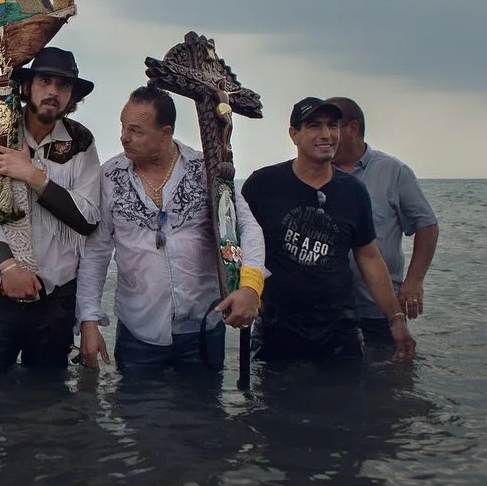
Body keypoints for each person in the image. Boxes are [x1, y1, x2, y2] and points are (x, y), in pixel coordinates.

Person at [78, 85, 267, 373]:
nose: (123, 137)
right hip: (139, 332)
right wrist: (89, 321)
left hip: (203, 326)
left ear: (165, 133)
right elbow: (96, 251)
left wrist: (251, 286)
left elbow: (247, 227)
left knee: (205, 415)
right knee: (136, 413)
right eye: (122, 127)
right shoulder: (110, 175)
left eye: (136, 131)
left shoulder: (206, 170)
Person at [240, 98, 416, 364]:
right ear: (294, 135)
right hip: (278, 327)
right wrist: (241, 294)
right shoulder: (262, 185)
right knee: (274, 404)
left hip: (339, 329)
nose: (326, 135)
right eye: (314, 126)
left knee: (345, 402)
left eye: (332, 126)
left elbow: (369, 257)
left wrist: (396, 320)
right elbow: (236, 246)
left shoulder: (353, 191)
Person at [0, 47, 102, 371]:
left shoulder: (81, 142)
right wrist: (7, 268)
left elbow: (88, 218)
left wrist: (33, 177)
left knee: (48, 403)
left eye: (63, 85)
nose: (53, 91)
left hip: (56, 303)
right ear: (27, 87)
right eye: (45, 80)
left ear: (72, 97)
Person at [327, 96, 440, 347]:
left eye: (332, 126)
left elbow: (427, 225)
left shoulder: (393, 172)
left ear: (352, 129)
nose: (326, 135)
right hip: (327, 309)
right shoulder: (317, 171)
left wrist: (415, 280)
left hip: (378, 307)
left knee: (390, 377)